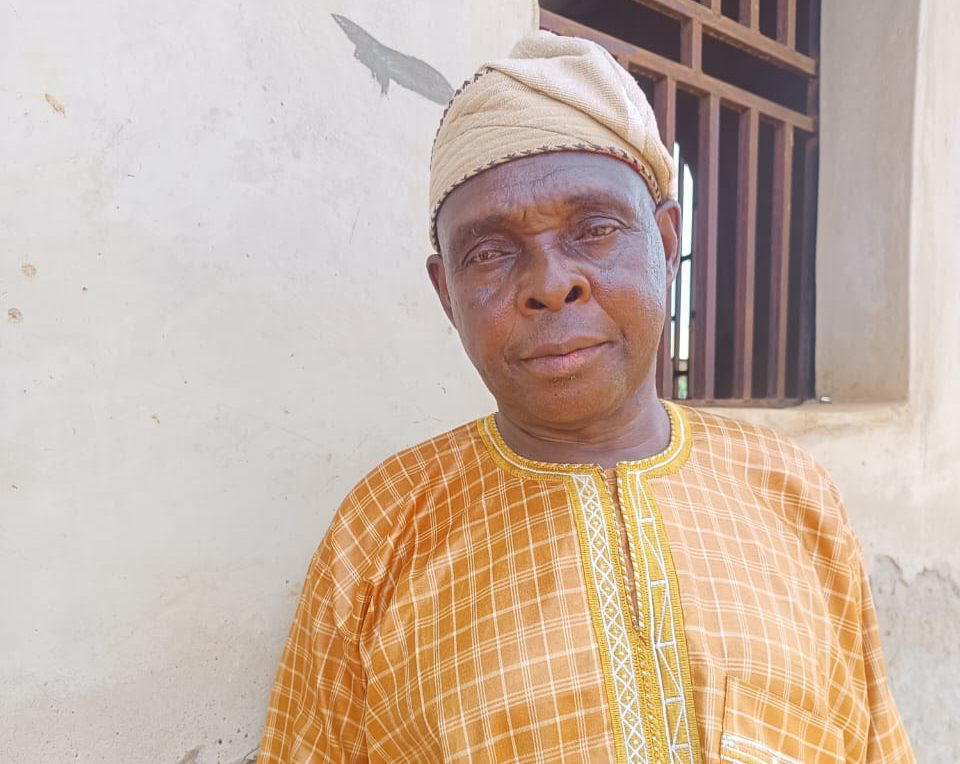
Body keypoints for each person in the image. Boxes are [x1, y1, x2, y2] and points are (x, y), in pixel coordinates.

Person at [255, 31, 913, 763]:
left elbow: (873, 742)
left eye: (595, 229)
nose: (549, 283)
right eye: (491, 252)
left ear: (666, 245)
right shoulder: (382, 531)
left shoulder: (794, 494)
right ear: (447, 295)